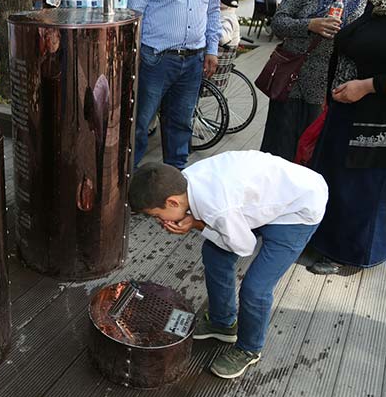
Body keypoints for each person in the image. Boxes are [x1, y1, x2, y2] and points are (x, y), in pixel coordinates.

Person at [129, 151, 327, 379]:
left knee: (256, 288)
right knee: (214, 254)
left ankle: (249, 348)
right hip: (264, 199)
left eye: (157, 215)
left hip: (298, 210)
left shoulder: (217, 207)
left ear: (173, 201)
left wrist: (196, 224)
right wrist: (197, 221)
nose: (160, 222)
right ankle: (222, 323)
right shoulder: (183, 182)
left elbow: (244, 247)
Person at [264, 0, 374, 161]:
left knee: (320, 158)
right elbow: (279, 22)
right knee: (283, 153)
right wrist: (310, 25)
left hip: (340, 88)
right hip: (296, 82)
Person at [127, 0, 221, 170]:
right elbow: (136, 11)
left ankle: (176, 181)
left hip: (193, 59)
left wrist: (212, 49)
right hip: (155, 58)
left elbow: (213, 9)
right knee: (140, 123)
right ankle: (125, 182)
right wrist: (133, 54)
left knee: (181, 124)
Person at [307, 0, 386, 275]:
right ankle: (326, 241)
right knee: (336, 179)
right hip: (348, 109)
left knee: (363, 188)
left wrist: (367, 87)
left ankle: (352, 252)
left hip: (376, 117)